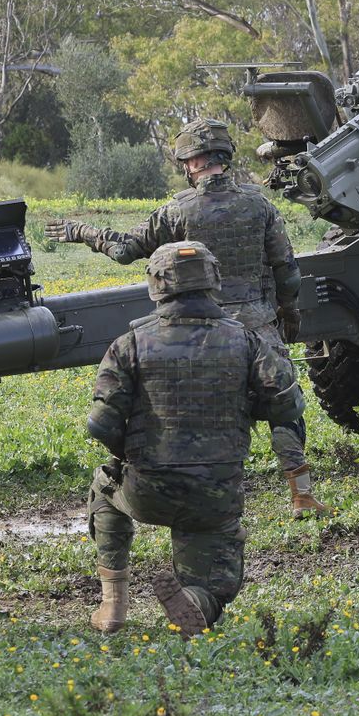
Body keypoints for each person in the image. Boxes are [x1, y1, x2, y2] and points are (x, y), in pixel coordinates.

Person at [46, 117, 328, 517]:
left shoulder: (177, 211)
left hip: (197, 331)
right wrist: (288, 314)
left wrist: (82, 232)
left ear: (191, 162)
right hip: (257, 326)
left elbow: (126, 250)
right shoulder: (259, 205)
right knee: (282, 405)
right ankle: (301, 495)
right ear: (224, 157)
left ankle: (190, 491)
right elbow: (287, 270)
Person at [85, 241, 304, 638]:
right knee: (215, 585)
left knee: (104, 487)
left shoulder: (130, 344)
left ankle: (112, 604)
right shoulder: (247, 341)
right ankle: (194, 600)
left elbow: (101, 425)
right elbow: (288, 406)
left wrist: (126, 455)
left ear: (157, 284)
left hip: (148, 490)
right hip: (214, 493)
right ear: (212, 279)